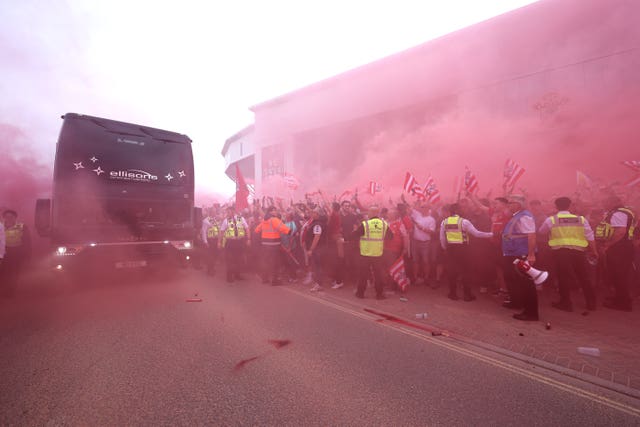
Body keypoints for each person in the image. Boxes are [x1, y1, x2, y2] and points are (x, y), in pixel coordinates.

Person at [538, 197, 598, 312]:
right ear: (570, 206)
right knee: (583, 277)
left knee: (563, 277)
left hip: (561, 252)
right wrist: (594, 251)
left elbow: (542, 231)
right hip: (578, 251)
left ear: (556, 207)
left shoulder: (552, 220)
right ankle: (591, 303)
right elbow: (590, 236)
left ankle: (566, 303)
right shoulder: (581, 219)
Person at [440, 203, 493, 301]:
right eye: (461, 208)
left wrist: (445, 249)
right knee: (466, 272)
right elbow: (477, 234)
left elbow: (442, 238)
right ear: (457, 211)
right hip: (463, 249)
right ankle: (467, 295)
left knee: (452, 272)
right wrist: (491, 234)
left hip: (451, 249)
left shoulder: (444, 222)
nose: (464, 210)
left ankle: (452, 293)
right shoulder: (464, 222)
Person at [501, 195, 539, 321]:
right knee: (514, 280)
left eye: (510, 203)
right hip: (513, 253)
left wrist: (531, 254)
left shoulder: (525, 216)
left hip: (521, 253)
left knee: (526, 283)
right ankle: (516, 302)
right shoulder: (517, 215)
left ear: (518, 204)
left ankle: (531, 313)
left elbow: (531, 236)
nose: (508, 205)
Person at [598, 196, 636, 311]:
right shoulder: (626, 212)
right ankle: (620, 298)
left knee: (619, 276)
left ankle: (623, 303)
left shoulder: (618, 213)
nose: (604, 204)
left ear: (613, 202)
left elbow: (620, 232)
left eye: (606, 201)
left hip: (619, 248)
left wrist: (607, 245)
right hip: (624, 246)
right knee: (618, 275)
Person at [352, 205, 393, 300]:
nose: (367, 214)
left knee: (363, 274)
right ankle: (379, 295)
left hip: (365, 253)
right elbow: (391, 237)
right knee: (378, 275)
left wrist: (354, 231)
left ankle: (360, 293)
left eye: (369, 212)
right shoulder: (384, 224)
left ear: (373, 213)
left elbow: (354, 235)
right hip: (377, 254)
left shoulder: (365, 224)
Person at [255, 205, 290, 285]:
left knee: (266, 262)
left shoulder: (264, 220)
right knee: (275, 263)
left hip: (265, 245)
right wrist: (293, 233)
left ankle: (265, 278)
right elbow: (284, 229)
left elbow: (256, 230)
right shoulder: (274, 220)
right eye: (275, 210)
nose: (276, 212)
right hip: (274, 245)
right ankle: (275, 280)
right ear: (271, 211)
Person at [0, 209, 31, 296]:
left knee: (13, 273)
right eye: (6, 217)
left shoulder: (22, 226)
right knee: (2, 272)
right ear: (4, 218)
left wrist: (27, 254)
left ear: (15, 218)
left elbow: (27, 241)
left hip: (16, 253)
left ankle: (10, 292)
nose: (8, 218)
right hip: (3, 252)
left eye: (11, 217)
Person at [218, 205, 250, 283]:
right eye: (227, 212)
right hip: (230, 242)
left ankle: (237, 275)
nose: (227, 213)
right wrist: (219, 242)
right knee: (230, 260)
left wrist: (249, 239)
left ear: (233, 211)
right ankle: (229, 277)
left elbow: (247, 228)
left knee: (239, 259)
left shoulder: (241, 219)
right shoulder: (226, 221)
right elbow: (221, 232)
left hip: (239, 242)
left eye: (228, 212)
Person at [410, 203, 436, 286]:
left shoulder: (431, 219)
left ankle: (426, 278)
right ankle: (415, 277)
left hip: (425, 243)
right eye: (421, 207)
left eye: (423, 207)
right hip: (415, 241)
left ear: (428, 208)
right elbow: (409, 209)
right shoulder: (417, 215)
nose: (421, 208)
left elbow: (432, 231)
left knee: (425, 261)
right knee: (415, 261)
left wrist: (423, 228)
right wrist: (403, 200)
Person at [303, 208, 328, 292]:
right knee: (317, 266)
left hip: (318, 249)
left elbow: (316, 237)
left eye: (313, 213)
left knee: (317, 267)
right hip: (319, 249)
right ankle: (318, 283)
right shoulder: (316, 223)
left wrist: (311, 249)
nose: (311, 214)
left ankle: (319, 284)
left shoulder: (317, 224)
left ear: (317, 214)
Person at [201, 209, 221, 276]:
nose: (215, 213)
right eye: (213, 212)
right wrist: (205, 241)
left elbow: (219, 229)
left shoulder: (216, 220)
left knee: (215, 255)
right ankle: (210, 270)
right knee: (210, 256)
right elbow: (204, 231)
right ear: (210, 213)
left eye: (215, 212)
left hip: (216, 240)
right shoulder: (206, 220)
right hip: (210, 240)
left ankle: (212, 268)